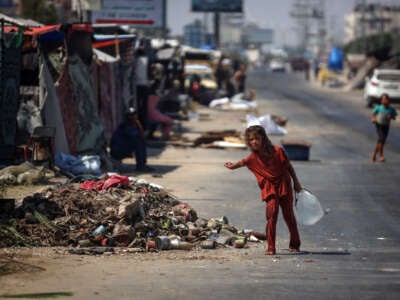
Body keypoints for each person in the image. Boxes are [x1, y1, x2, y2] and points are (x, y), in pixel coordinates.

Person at [224, 125, 302, 255]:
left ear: (263, 139)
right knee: (271, 216)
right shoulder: (253, 157)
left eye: (257, 138)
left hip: (284, 185)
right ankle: (271, 247)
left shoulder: (278, 151)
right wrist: (231, 166)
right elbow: (242, 163)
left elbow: (289, 167)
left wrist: (297, 183)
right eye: (251, 139)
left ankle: (295, 243)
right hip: (270, 188)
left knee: (289, 216)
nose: (254, 142)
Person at [110, 107, 153, 172]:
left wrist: (138, 124)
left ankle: (142, 165)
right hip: (117, 151)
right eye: (132, 115)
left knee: (141, 142)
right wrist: (138, 124)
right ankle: (141, 166)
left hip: (122, 148)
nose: (134, 117)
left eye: (134, 114)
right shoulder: (126, 126)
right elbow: (139, 136)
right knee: (139, 143)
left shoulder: (132, 124)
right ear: (128, 116)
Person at [370, 93, 397, 163]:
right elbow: (373, 114)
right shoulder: (378, 107)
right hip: (379, 125)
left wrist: (391, 117)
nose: (385, 100)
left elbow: (394, 117)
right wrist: (373, 119)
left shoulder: (391, 109)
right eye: (383, 99)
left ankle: (375, 153)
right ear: (381, 100)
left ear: (388, 100)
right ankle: (380, 155)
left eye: (386, 99)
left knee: (382, 141)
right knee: (381, 139)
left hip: (386, 125)